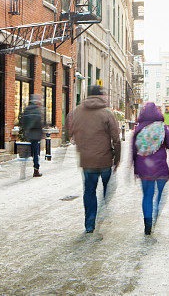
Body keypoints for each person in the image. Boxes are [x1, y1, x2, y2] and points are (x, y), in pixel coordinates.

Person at [69, 85, 121, 233]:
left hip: (87, 161)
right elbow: (116, 139)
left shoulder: (76, 111)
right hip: (105, 160)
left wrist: (79, 143)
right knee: (109, 187)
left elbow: (69, 130)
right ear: (100, 96)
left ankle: (89, 224)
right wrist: (117, 159)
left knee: (89, 191)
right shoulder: (107, 113)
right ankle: (103, 210)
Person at [132, 102, 169, 235]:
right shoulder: (162, 129)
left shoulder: (138, 129)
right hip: (160, 169)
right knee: (160, 194)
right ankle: (155, 214)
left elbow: (133, 150)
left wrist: (134, 168)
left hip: (144, 169)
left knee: (147, 196)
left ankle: (148, 223)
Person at [19, 94, 45, 177]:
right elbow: (40, 123)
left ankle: (23, 170)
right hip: (36, 135)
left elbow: (22, 121)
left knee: (26, 153)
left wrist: (26, 130)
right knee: (35, 153)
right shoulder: (37, 111)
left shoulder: (26, 110)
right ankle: (36, 170)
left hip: (28, 134)